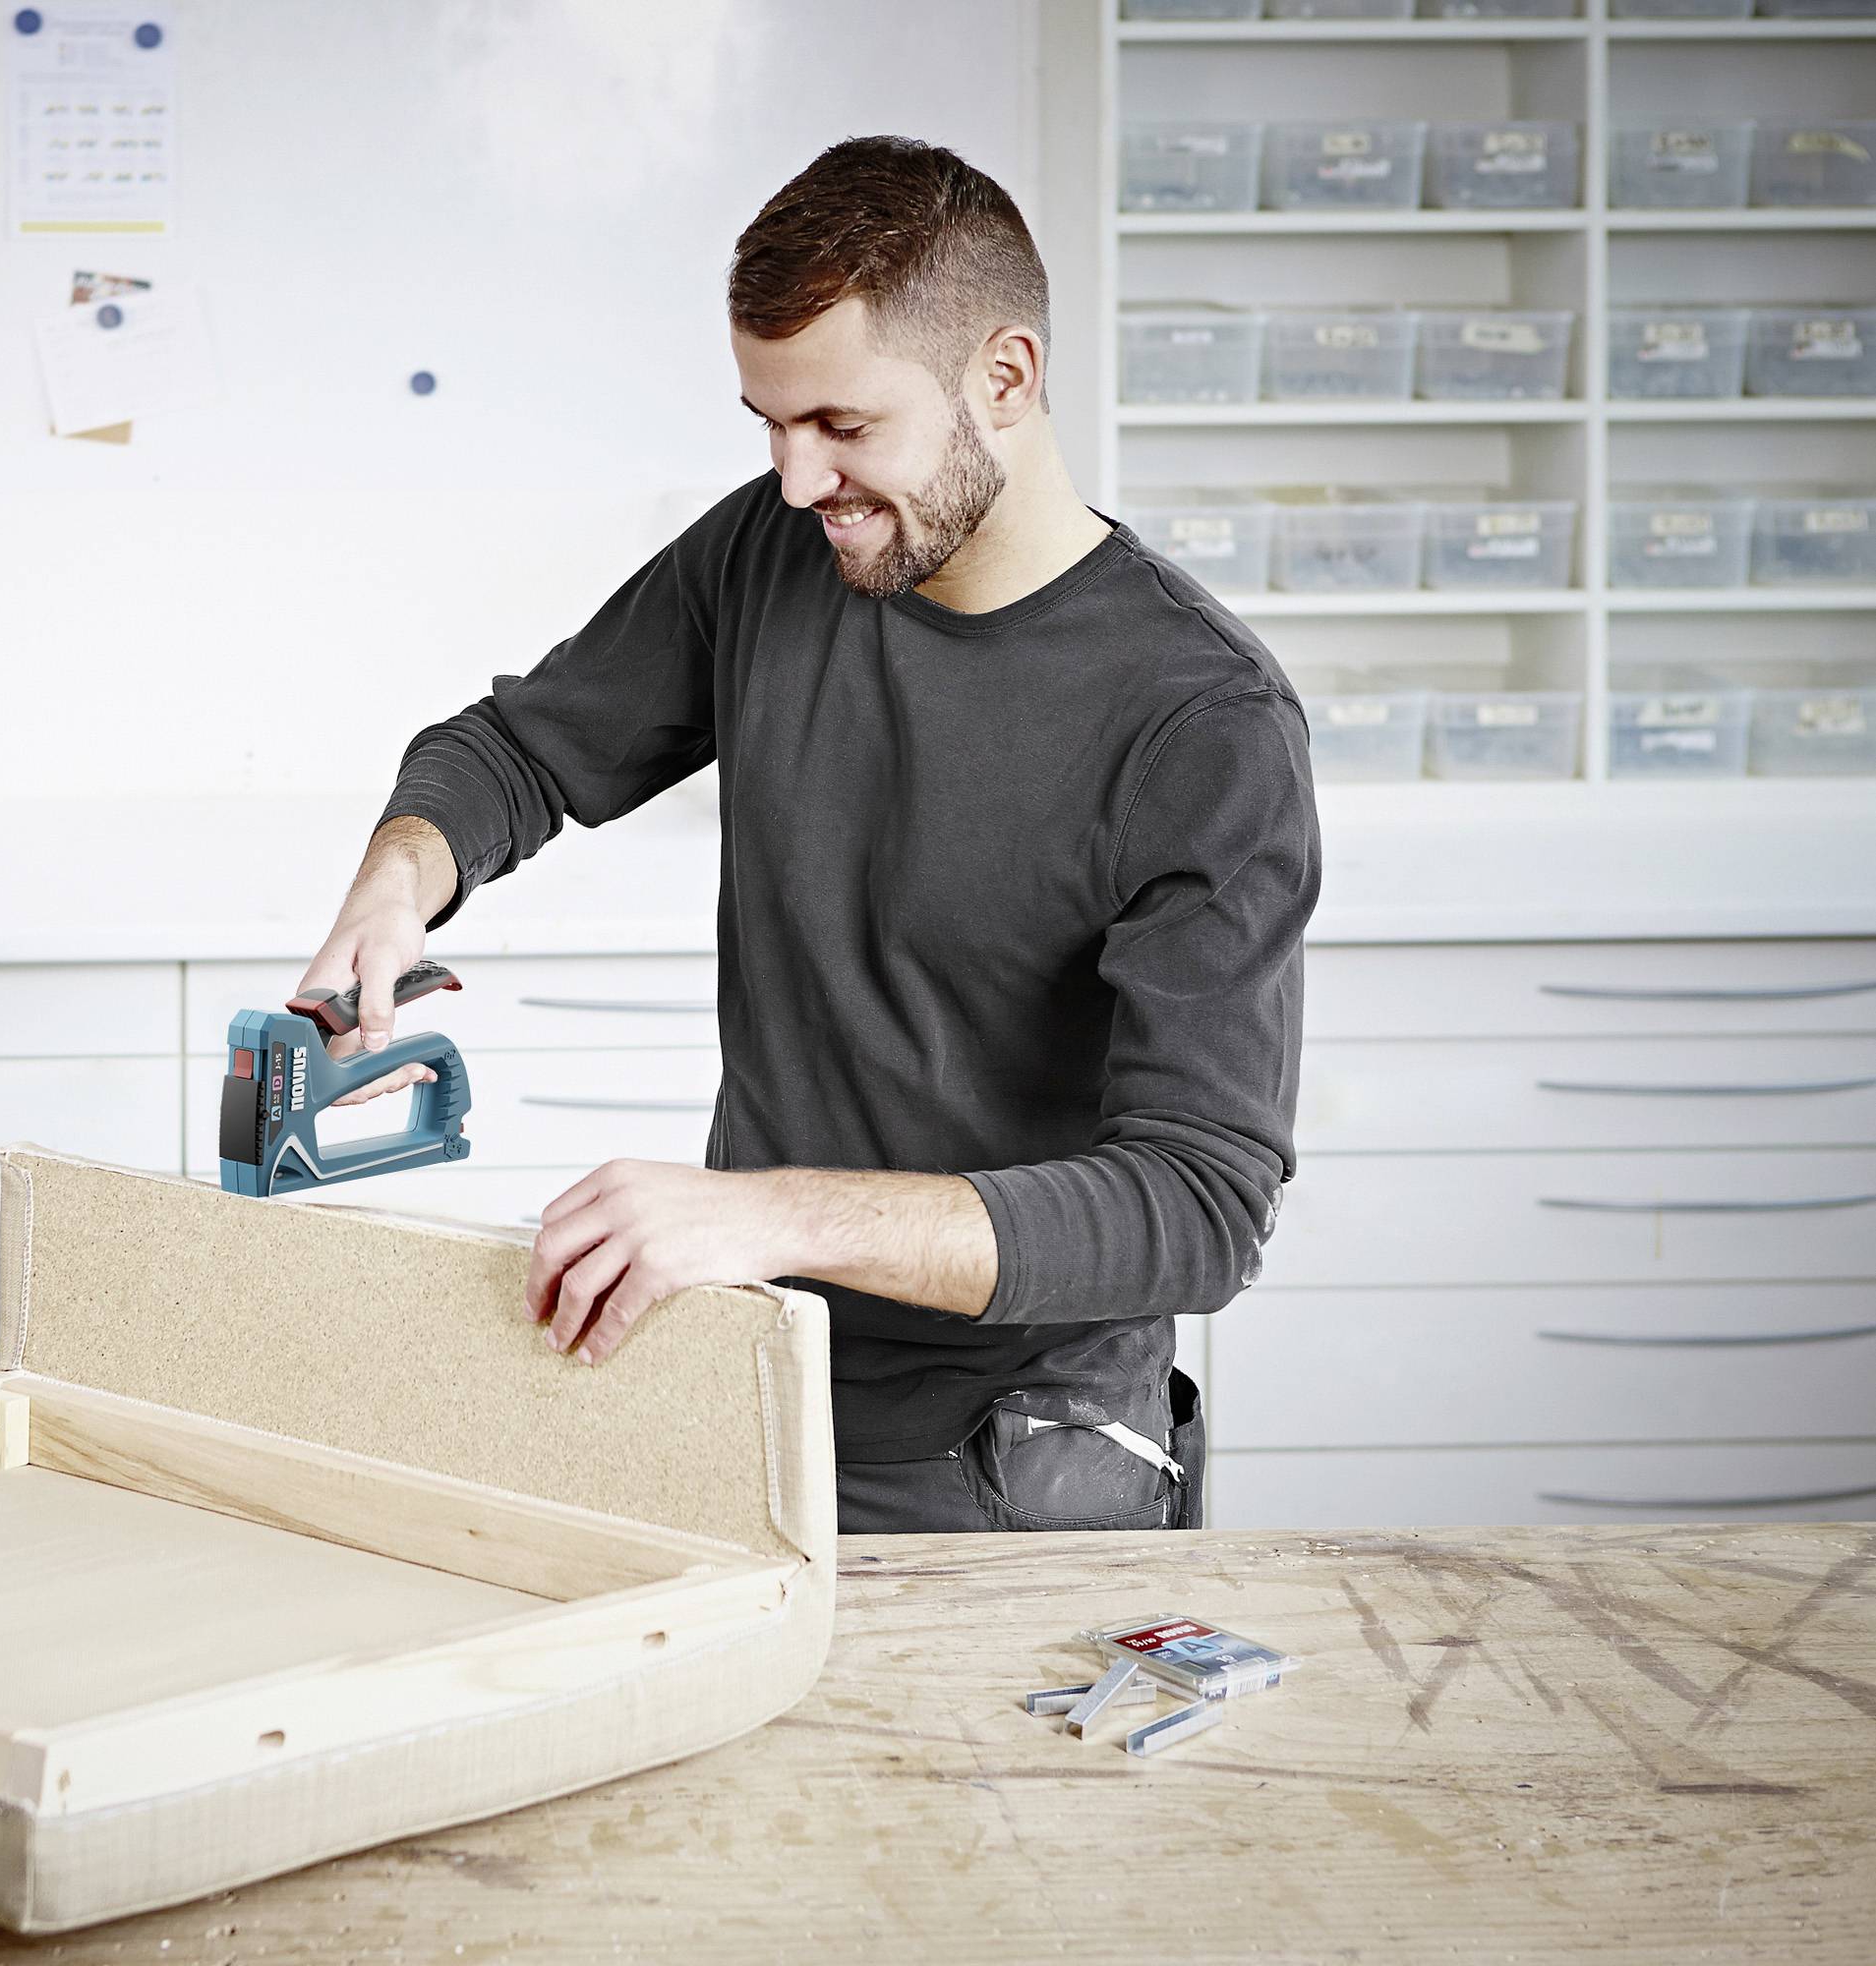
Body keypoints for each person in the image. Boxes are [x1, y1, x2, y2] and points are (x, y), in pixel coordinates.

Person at [293, 137, 1320, 1535]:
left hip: (1012, 1455)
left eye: (842, 426)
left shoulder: (1201, 722)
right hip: (753, 1377)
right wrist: (399, 882)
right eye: (766, 426)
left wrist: (764, 1215)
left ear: (1002, 380)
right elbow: (520, 749)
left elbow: (1197, 1207)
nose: (793, 480)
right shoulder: (774, 557)